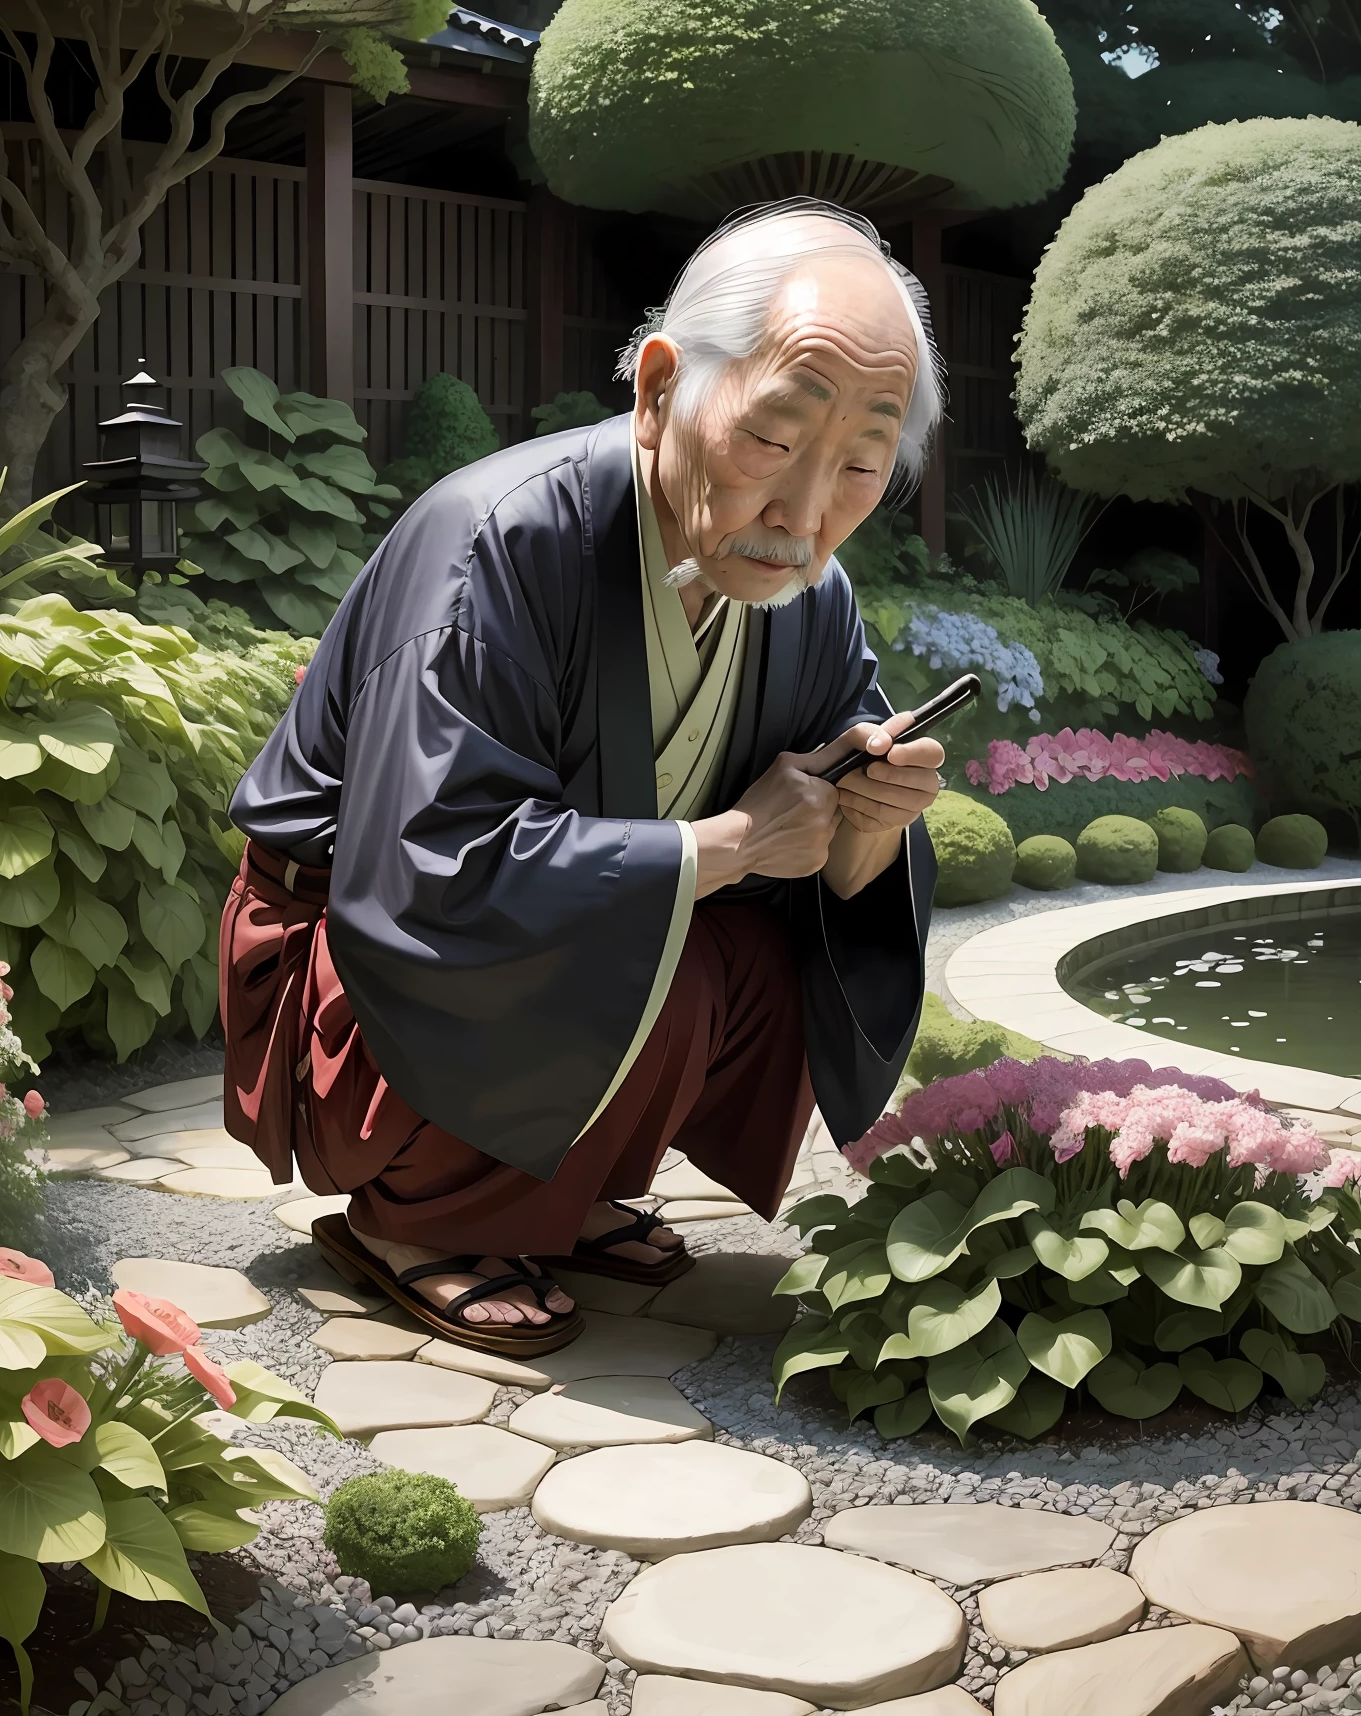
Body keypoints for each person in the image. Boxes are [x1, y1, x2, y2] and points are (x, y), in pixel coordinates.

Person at [218, 201, 946, 1357]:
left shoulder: (807, 597)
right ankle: (413, 1222)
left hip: (544, 954)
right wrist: (727, 845)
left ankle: (557, 1193)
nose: (804, 514)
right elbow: (431, 873)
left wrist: (864, 823)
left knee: (747, 957)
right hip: (348, 964)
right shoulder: (498, 541)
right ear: (659, 388)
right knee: (652, 934)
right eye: (772, 440)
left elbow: (820, 851)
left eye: (860, 464)